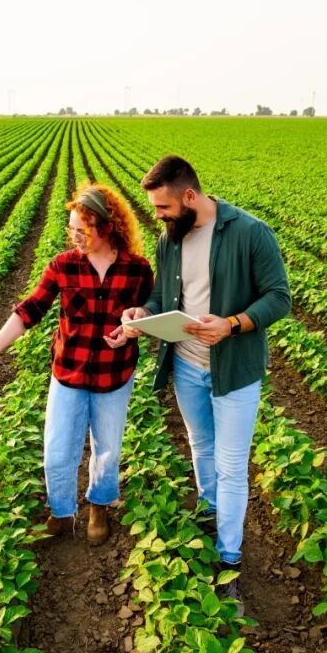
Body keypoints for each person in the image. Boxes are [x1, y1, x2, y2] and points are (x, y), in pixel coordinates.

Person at [121, 156, 291, 610]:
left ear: (190, 196)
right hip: (186, 365)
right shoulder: (170, 238)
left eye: (163, 207)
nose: (158, 216)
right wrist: (144, 312)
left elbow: (279, 298)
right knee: (200, 446)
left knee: (232, 465)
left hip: (233, 369)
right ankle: (210, 510)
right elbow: (164, 294)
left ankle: (229, 558)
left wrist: (232, 325)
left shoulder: (250, 232)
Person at [0, 184, 153, 546]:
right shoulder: (64, 265)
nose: (75, 237)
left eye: (82, 230)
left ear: (107, 228)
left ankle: (99, 506)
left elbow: (148, 312)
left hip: (114, 373)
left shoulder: (137, 269)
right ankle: (61, 512)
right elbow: (30, 309)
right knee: (57, 452)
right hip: (69, 372)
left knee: (108, 449)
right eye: (71, 229)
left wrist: (134, 325)